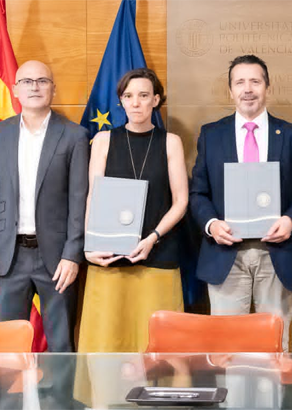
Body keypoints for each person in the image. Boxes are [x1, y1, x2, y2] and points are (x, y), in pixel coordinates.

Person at [189, 54, 292, 351]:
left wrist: (291, 221)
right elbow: (198, 193)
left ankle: (270, 400)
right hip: (225, 254)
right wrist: (211, 224)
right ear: (230, 90)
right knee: (227, 349)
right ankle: (234, 401)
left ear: (267, 87)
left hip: (276, 254)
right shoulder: (211, 135)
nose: (248, 89)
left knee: (274, 347)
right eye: (240, 82)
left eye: (255, 81)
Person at [0, 60, 89, 352]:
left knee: (62, 344)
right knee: (7, 345)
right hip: (7, 258)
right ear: (15, 90)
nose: (34, 87)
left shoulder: (74, 136)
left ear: (53, 88)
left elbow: (79, 199)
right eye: (26, 81)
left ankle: (61, 399)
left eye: (42, 81)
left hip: (57, 259)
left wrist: (72, 255)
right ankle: (8, 400)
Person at [79, 68, 187, 352]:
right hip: (109, 255)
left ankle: (160, 396)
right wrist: (90, 246)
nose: (135, 102)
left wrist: (152, 237)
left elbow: (181, 202)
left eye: (143, 95)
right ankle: (107, 397)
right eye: (128, 96)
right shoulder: (103, 140)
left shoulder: (170, 142)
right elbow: (93, 196)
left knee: (157, 342)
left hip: (157, 254)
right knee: (109, 338)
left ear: (156, 100)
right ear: (121, 101)